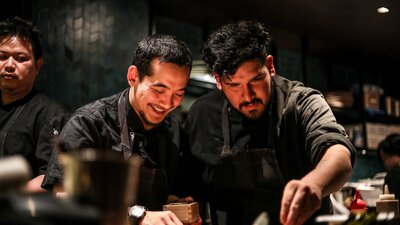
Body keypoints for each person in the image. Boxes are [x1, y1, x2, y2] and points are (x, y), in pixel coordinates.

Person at [183, 20, 356, 225]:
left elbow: (338, 152)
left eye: (255, 80)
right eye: (235, 85)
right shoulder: (203, 114)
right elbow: (190, 187)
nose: (247, 96)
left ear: (270, 66)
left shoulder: (300, 102)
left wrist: (315, 183)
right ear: (218, 81)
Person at [43, 33, 199, 225]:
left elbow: (165, 194)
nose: (168, 103)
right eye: (159, 90)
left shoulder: (172, 128)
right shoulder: (88, 123)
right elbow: (65, 200)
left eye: (178, 94)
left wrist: (176, 206)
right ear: (133, 77)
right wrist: (137, 215)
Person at [0, 16, 69, 192]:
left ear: (37, 66)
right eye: (2, 56)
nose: (9, 65)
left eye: (20, 58)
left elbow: (50, 177)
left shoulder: (52, 113)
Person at [378, 133, 400, 199]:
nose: (385, 164)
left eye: (385, 159)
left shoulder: (393, 175)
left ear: (395, 154)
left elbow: (389, 205)